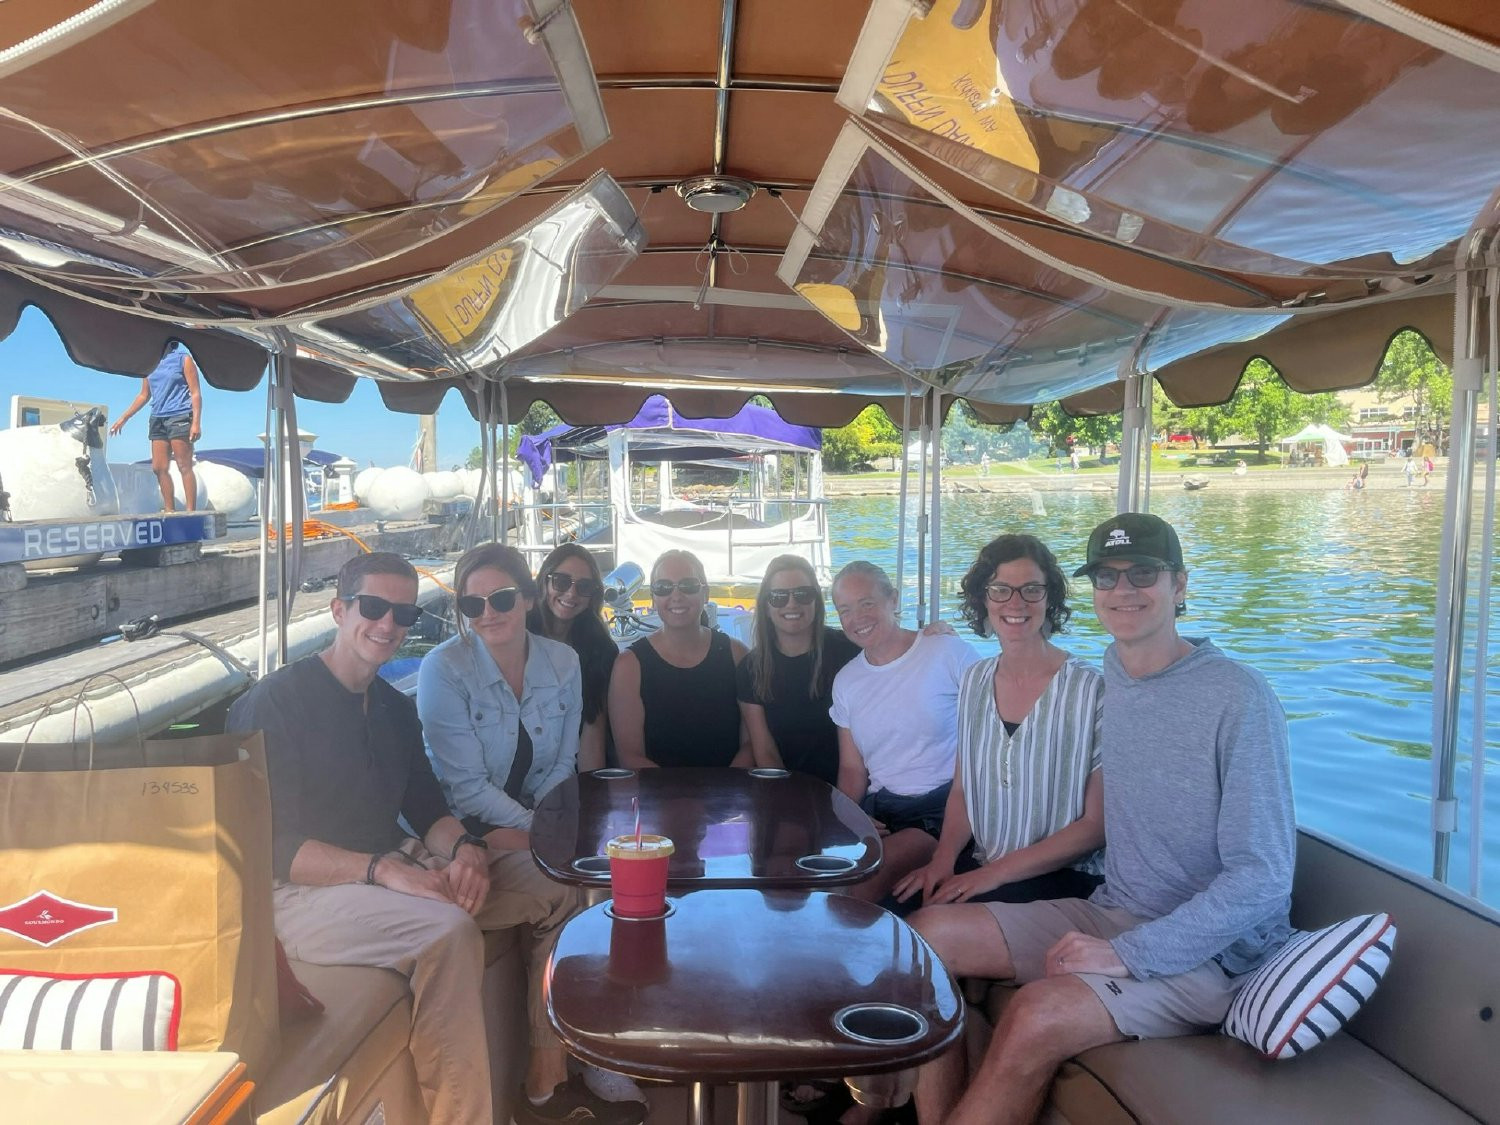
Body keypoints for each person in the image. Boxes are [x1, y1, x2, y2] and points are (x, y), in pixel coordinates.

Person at [911, 514, 1295, 1125]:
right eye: (1107, 576)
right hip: (1113, 907)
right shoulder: (1115, 674)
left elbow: (1265, 876)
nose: (1124, 591)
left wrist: (1136, 951)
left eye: (1143, 573)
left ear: (1181, 585)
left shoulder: (1239, 697)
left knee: (1034, 1015)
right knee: (922, 938)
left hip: (1210, 955)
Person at [224, 553, 581, 1125]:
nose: (387, 624)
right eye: (373, 607)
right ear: (340, 610)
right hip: (294, 897)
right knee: (447, 931)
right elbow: (267, 845)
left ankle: (545, 1081)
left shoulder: (392, 706)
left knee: (558, 887)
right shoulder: (275, 704)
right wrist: (384, 871)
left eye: (403, 613)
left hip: (390, 866)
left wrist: (466, 850)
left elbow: (426, 806)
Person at [417, 543, 646, 1122]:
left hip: (523, 829)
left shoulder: (561, 664)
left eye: (500, 598)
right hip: (456, 837)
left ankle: (596, 1047)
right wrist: (541, 837)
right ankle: (554, 1075)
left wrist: (540, 830)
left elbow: (559, 766)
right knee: (573, 885)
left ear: (525, 596)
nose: (487, 612)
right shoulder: (443, 669)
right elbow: (465, 789)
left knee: (603, 878)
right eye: (472, 603)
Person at [894, 533, 1103, 913]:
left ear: (1050, 598)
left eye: (1031, 590)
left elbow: (1095, 826)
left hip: (1065, 878)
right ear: (983, 598)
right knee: (887, 914)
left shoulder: (1091, 690)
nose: (1016, 603)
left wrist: (992, 875)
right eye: (1001, 589)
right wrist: (942, 861)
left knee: (927, 931)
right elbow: (962, 791)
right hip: (981, 863)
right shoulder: (974, 680)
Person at [829, 560, 980, 906]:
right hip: (882, 811)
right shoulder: (847, 681)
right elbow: (853, 770)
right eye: (845, 610)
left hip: (942, 808)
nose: (858, 618)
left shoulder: (946, 652)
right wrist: (848, 818)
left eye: (867, 603)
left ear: (893, 600)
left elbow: (993, 733)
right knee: (823, 882)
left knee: (854, 890)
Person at [609, 549, 751, 769]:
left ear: (706, 593)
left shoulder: (737, 654)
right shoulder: (629, 666)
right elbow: (630, 756)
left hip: (727, 795)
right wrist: (679, 799)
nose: (676, 596)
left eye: (688, 586)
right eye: (664, 588)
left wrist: (722, 796)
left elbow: (750, 745)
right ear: (653, 599)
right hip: (657, 796)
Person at [737, 554, 859, 785]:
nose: (792, 604)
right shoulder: (751, 669)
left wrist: (932, 633)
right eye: (779, 596)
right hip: (787, 792)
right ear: (766, 605)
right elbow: (766, 752)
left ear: (816, 600)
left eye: (803, 594)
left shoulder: (849, 651)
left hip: (852, 788)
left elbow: (893, 647)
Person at [526, 543, 618, 771]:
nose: (571, 593)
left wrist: (589, 794)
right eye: (561, 581)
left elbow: (593, 726)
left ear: (593, 595)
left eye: (584, 586)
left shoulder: (601, 650)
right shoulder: (520, 637)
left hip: (571, 769)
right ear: (545, 581)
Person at [109, 341, 203, 511]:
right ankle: (169, 510)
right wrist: (124, 418)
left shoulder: (183, 359)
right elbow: (144, 395)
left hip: (180, 415)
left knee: (184, 465)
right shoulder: (149, 363)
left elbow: (195, 392)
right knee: (159, 467)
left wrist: (196, 422)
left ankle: (191, 512)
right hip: (157, 418)